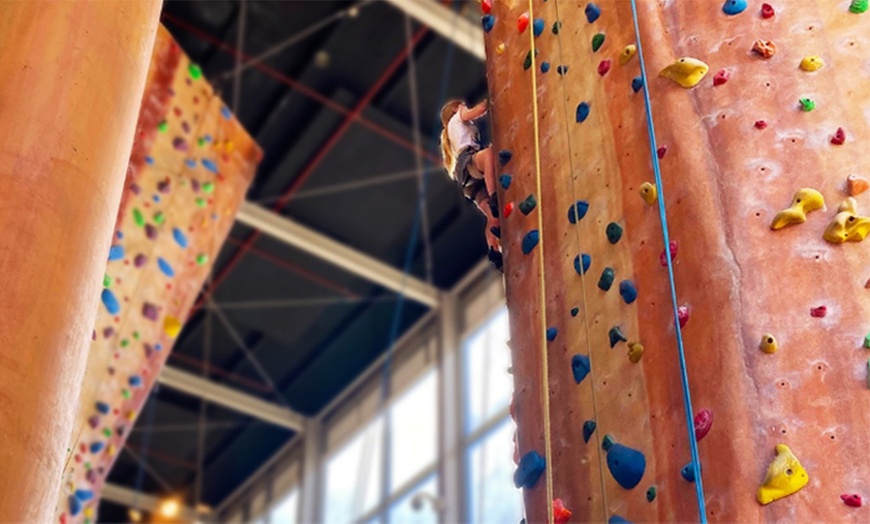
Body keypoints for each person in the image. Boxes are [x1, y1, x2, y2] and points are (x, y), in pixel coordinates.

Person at [440, 99, 502, 269]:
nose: (464, 107)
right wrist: (492, 98)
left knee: (493, 218)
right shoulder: (458, 117)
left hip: (468, 181)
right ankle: (494, 195)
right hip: (469, 162)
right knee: (489, 155)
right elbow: (480, 109)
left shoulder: (452, 135)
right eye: (463, 105)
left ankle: (494, 251)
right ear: (455, 108)